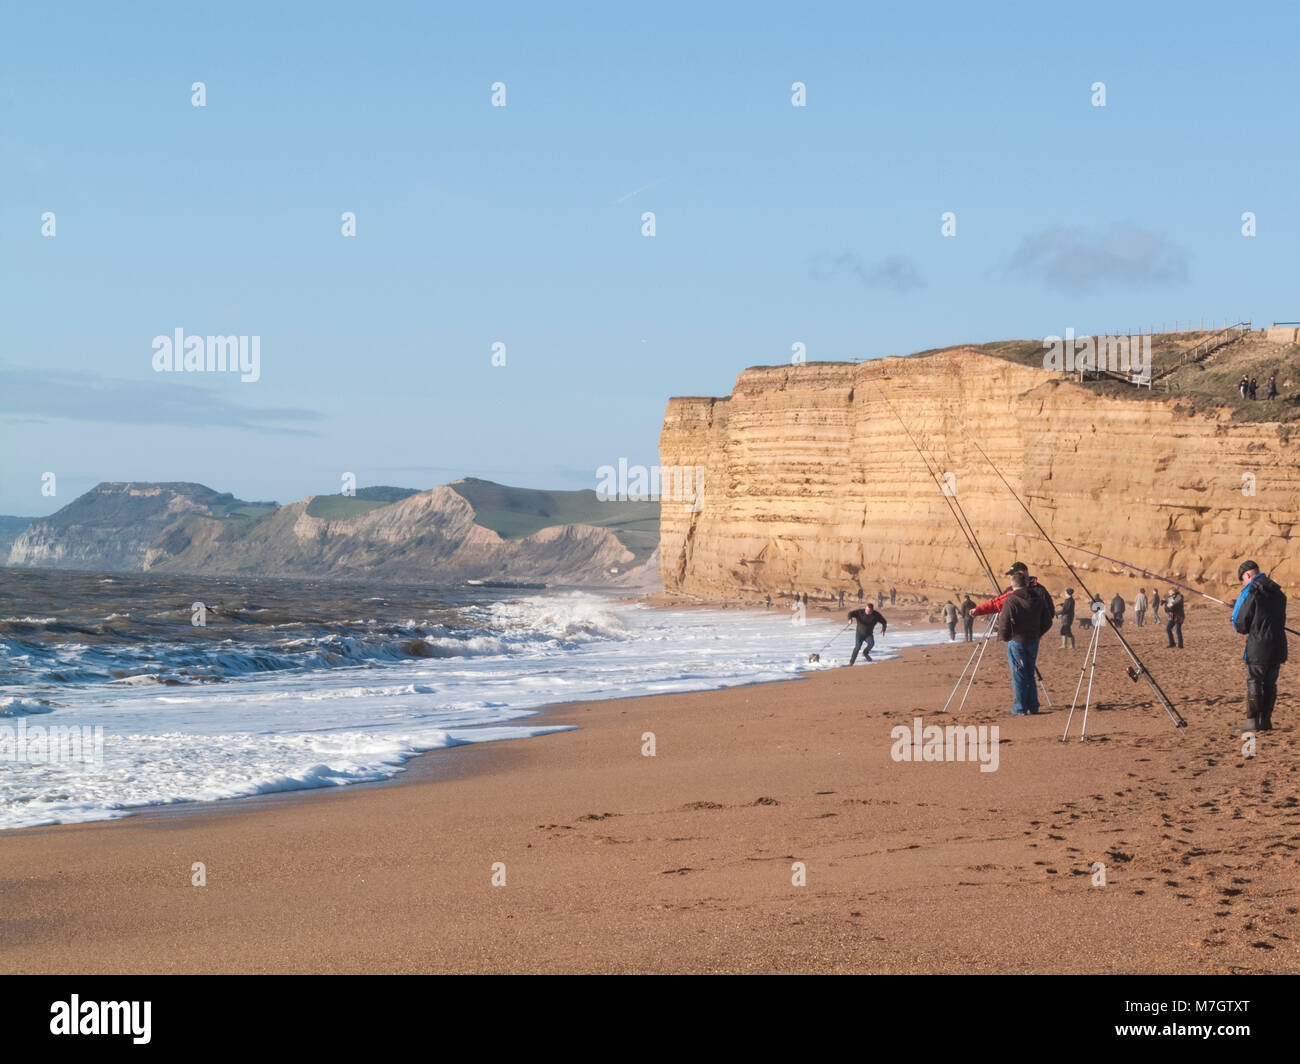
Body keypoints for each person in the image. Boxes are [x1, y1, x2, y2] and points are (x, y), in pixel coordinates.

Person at [1231, 560, 1287, 732]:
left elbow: (1240, 625)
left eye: (1243, 579)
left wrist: (1237, 614)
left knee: (1254, 682)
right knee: (1271, 684)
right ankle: (1266, 721)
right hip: (1278, 646)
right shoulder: (1278, 592)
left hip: (1258, 647)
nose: (1244, 583)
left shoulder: (1251, 591)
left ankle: (1252, 721)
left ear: (1247, 575)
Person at [997, 569, 1055, 715]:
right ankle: (1033, 706)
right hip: (1032, 641)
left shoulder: (1011, 600)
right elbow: (1048, 621)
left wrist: (1005, 637)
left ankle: (1020, 707)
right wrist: (1037, 633)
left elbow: (1003, 623)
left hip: (1017, 641)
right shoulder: (1038, 598)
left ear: (1013, 585)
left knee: (1019, 675)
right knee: (1029, 673)